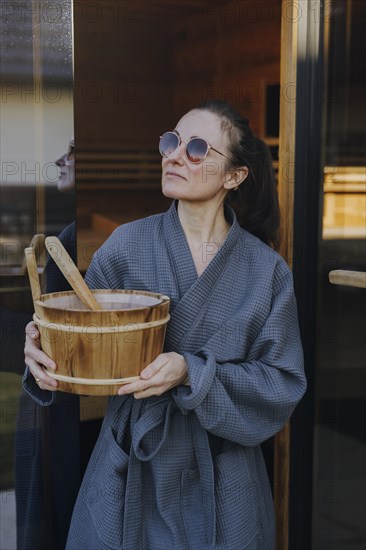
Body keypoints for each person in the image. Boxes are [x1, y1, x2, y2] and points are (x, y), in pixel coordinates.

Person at [24, 99, 306, 549]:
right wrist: (44, 344)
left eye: (196, 148)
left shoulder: (266, 271)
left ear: (234, 176)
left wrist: (192, 372)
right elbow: (83, 344)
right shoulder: (126, 245)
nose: (173, 155)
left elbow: (282, 383)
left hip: (223, 472)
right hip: (131, 466)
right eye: (172, 141)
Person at [13, 140, 102, 550]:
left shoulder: (84, 240)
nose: (60, 161)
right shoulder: (71, 237)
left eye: (73, 151)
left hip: (71, 404)